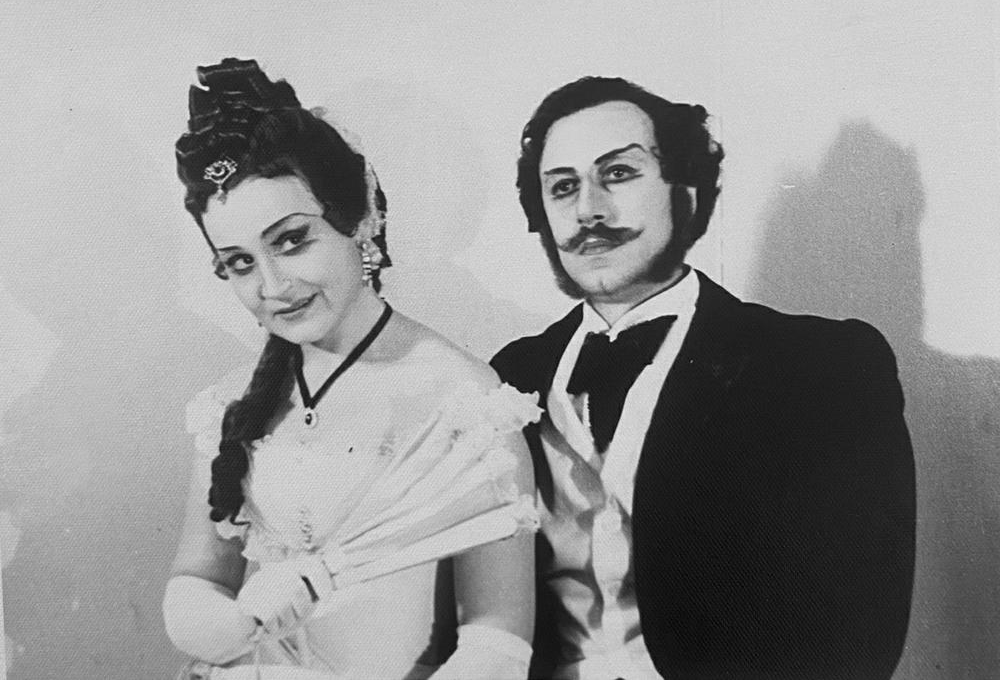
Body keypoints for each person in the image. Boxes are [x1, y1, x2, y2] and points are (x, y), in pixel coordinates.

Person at [491, 76, 916, 680]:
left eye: (618, 174)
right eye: (563, 187)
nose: (588, 210)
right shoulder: (510, 374)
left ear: (685, 190)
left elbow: (857, 635)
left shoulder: (822, 366)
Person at [163, 58, 538, 680]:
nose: (273, 286)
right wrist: (238, 622)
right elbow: (195, 579)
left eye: (291, 240)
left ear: (361, 219)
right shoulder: (230, 403)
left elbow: (498, 643)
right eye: (239, 262)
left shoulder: (465, 400)